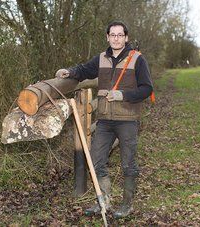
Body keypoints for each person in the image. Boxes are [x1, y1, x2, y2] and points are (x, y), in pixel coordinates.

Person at [55, 21, 153, 218]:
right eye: (112, 35)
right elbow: (84, 70)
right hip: (105, 121)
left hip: (127, 119)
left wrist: (121, 95)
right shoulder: (101, 58)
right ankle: (104, 200)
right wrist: (69, 72)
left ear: (126, 38)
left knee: (128, 164)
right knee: (96, 160)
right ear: (107, 37)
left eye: (120, 35)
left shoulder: (137, 60)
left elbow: (146, 88)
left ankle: (127, 204)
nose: (116, 38)